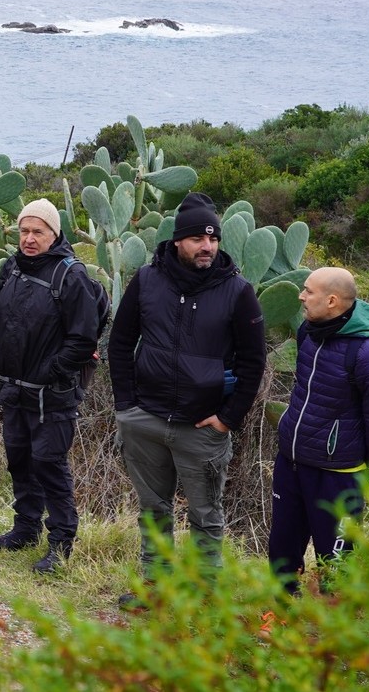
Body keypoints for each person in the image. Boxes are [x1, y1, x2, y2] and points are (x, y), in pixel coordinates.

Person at [109, 192, 265, 604]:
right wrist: (127, 405)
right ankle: (155, 588)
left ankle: (202, 595)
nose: (207, 246)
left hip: (203, 426)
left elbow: (253, 362)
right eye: (198, 238)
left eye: (212, 239)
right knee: (154, 510)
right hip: (146, 418)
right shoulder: (147, 280)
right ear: (178, 240)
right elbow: (121, 342)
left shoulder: (237, 291)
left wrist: (228, 418)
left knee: (206, 516)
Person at [0, 200, 106, 574]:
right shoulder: (11, 268)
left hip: (52, 394)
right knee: (19, 459)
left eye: (38, 232)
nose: (30, 239)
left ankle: (61, 544)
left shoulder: (71, 276)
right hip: (14, 389)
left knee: (50, 465)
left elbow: (84, 338)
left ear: (55, 233)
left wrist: (54, 371)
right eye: (24, 231)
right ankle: (25, 528)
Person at [271, 267, 369, 595]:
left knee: (337, 558)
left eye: (308, 291)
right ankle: (282, 611)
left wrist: (356, 462)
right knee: (283, 544)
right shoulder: (308, 331)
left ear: (331, 301)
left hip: (338, 475)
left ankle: (332, 630)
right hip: (292, 461)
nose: (301, 296)